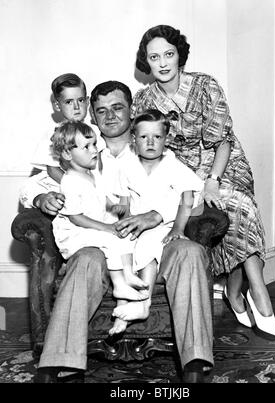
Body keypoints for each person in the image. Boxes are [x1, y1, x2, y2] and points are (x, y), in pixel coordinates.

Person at [20, 80, 228, 383]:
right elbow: (34, 185)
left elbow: (195, 202)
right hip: (102, 244)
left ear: (132, 111)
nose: (110, 116)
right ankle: (55, 364)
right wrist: (40, 198)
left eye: (118, 108)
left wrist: (156, 215)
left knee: (190, 252)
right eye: (101, 110)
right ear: (92, 112)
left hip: (157, 243)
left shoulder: (150, 146)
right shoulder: (85, 147)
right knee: (86, 259)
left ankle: (195, 363)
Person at [130, 24, 275, 337]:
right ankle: (236, 292)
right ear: (146, 61)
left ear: (179, 54)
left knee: (240, 205)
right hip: (181, 176)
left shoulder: (204, 85)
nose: (162, 62)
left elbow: (223, 140)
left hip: (222, 164)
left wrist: (213, 179)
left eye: (168, 54)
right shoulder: (143, 100)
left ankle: (257, 290)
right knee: (217, 216)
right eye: (154, 56)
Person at [111, 109, 205, 335]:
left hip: (162, 226)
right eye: (144, 137)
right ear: (134, 140)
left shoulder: (174, 166)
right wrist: (123, 224)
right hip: (135, 224)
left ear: (166, 139)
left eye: (157, 137)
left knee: (148, 246)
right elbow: (124, 203)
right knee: (119, 251)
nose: (150, 142)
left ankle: (145, 301)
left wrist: (177, 228)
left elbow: (188, 199)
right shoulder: (127, 167)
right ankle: (122, 309)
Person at [50, 120, 148, 303]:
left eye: (94, 144)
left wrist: (114, 206)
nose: (94, 150)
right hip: (74, 233)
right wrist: (106, 227)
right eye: (86, 147)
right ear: (66, 153)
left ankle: (128, 273)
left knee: (124, 235)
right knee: (111, 237)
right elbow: (76, 218)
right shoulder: (70, 181)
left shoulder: (91, 174)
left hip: (89, 225)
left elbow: (102, 197)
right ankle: (120, 285)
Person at [20, 73, 105, 209]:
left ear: (88, 101)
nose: (76, 107)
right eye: (69, 102)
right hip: (61, 180)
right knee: (31, 188)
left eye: (81, 100)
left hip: (89, 179)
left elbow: (99, 162)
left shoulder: (93, 130)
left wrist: (95, 184)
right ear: (58, 106)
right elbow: (52, 170)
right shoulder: (54, 133)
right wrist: (75, 186)